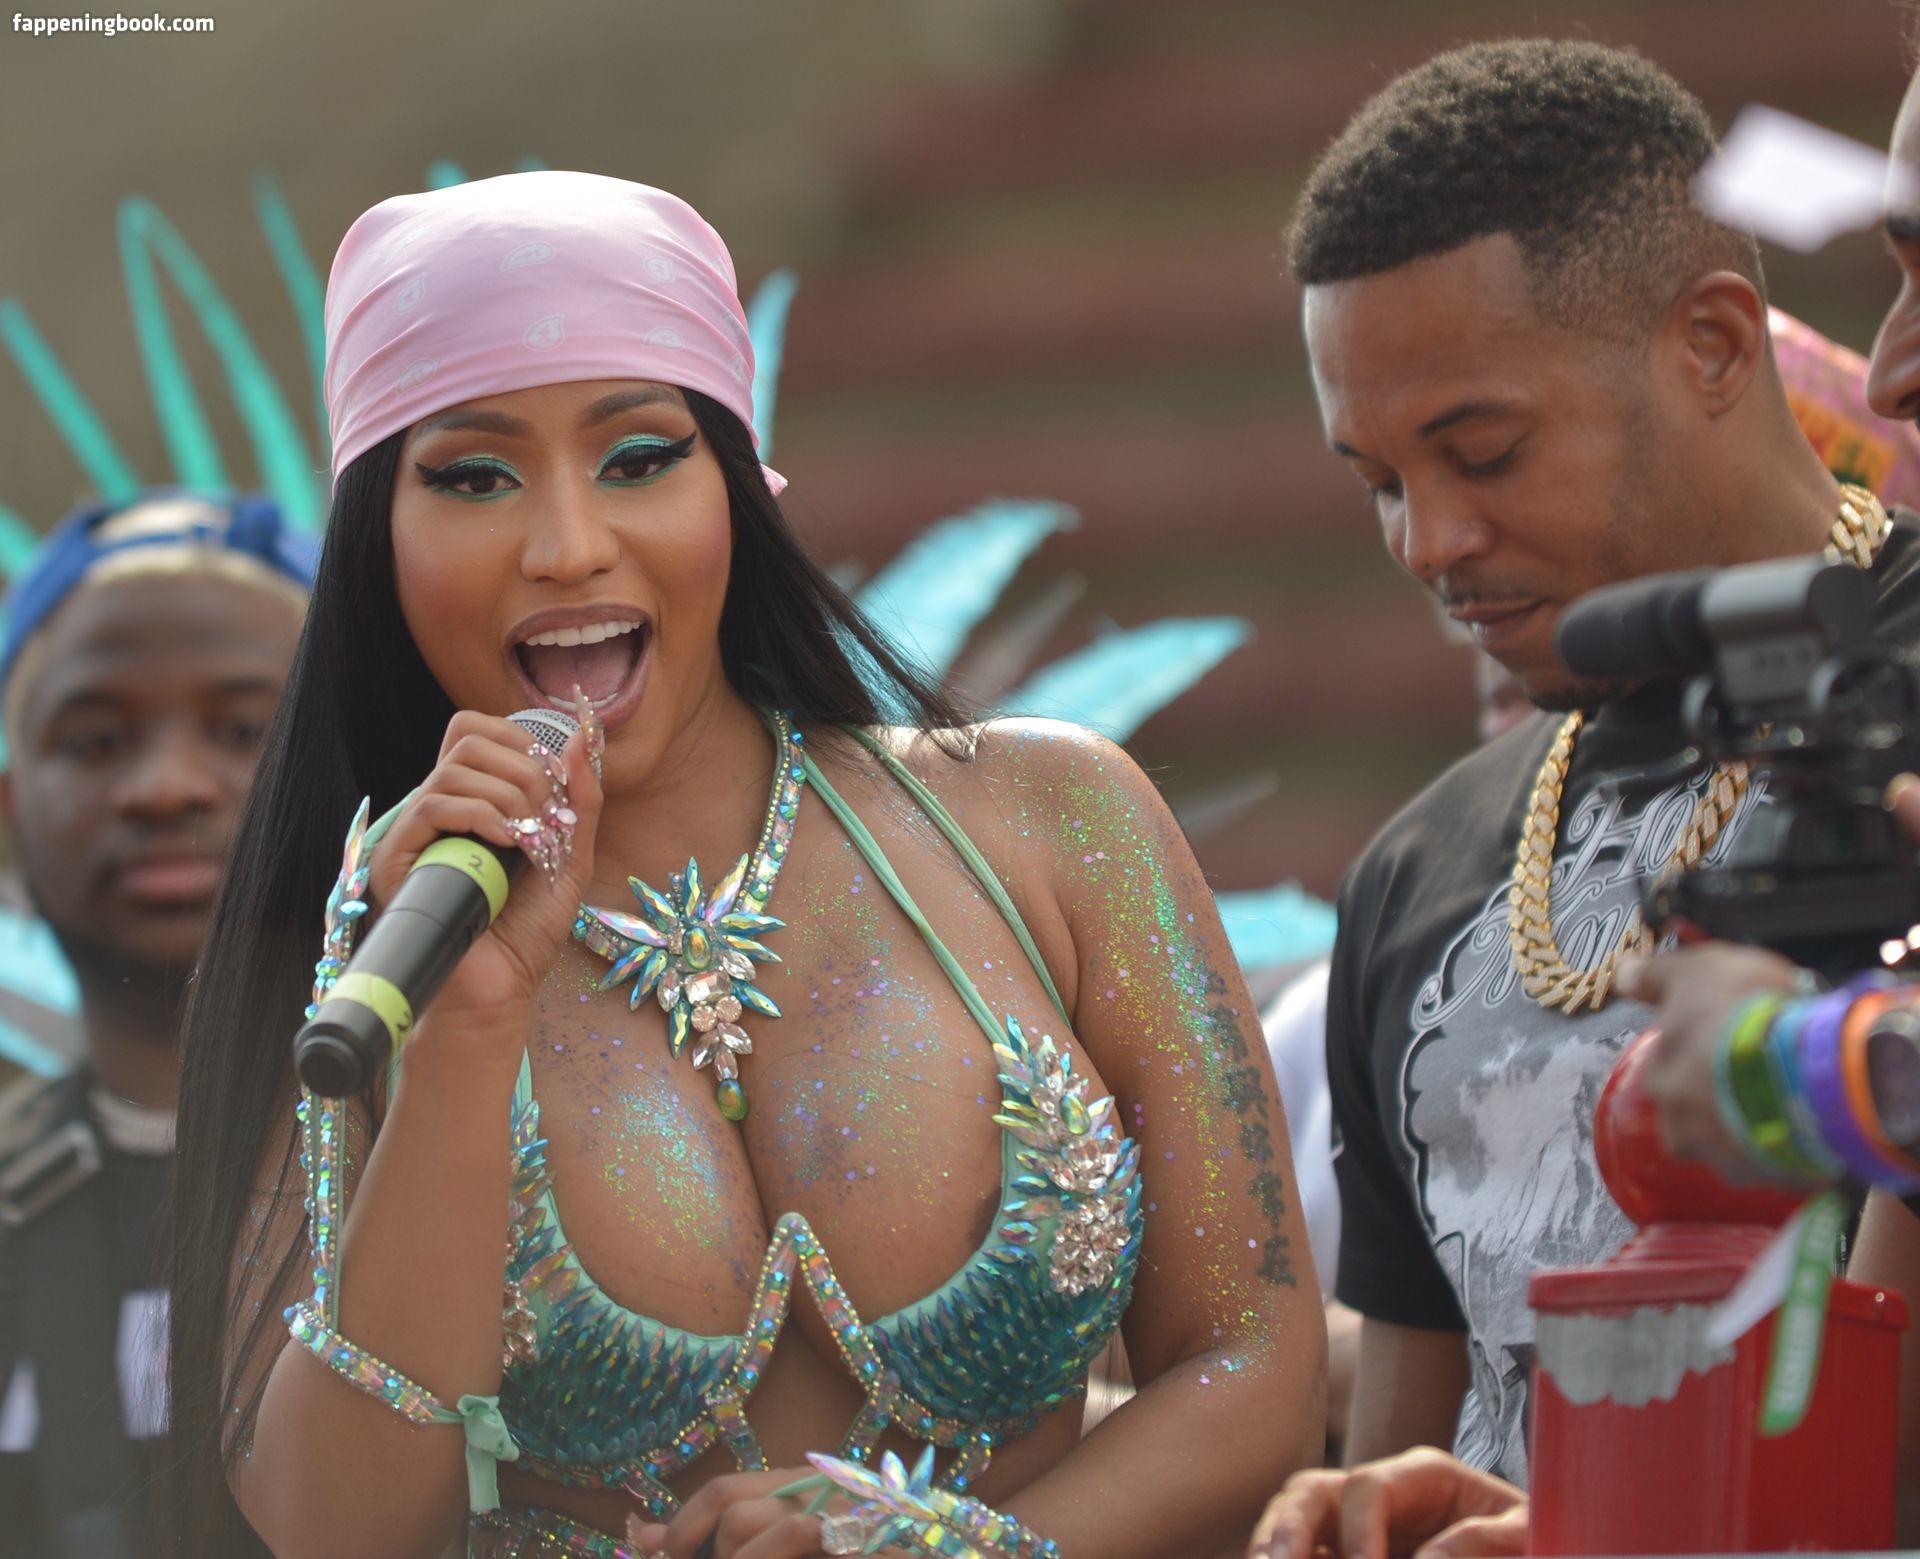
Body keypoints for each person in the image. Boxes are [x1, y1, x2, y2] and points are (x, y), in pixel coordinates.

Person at [166, 171, 1326, 1559]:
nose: (570, 544)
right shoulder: (375, 948)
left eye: (639, 456)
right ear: (380, 540)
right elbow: (332, 1532)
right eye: (473, 476)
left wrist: (950, 1548)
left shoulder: (1052, 818)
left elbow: (1253, 1356)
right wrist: (464, 1035)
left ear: (734, 485)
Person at [1250, 32, 1920, 1559]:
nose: (1430, 541)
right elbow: (1417, 1461)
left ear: (1714, 345)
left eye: (1484, 452)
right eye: (1380, 482)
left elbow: (1881, 1459)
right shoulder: (1416, 867)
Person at [0, 491, 311, 1558]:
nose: (167, 787)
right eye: (94, 739)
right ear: (11, 811)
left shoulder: (500, 1166)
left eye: (244, 730)